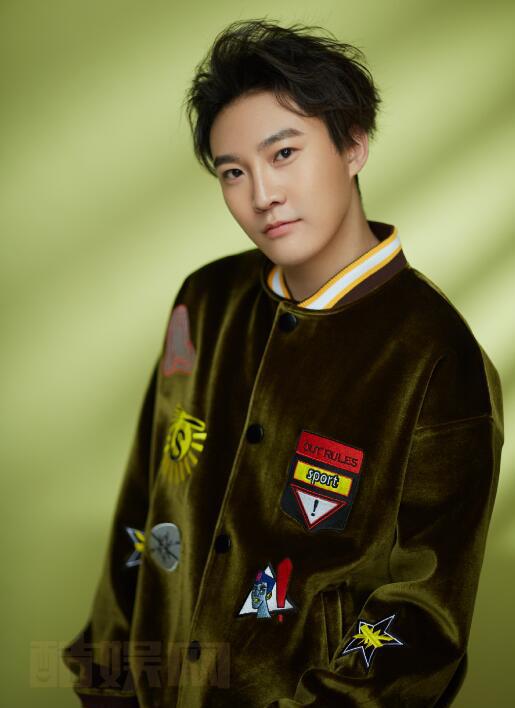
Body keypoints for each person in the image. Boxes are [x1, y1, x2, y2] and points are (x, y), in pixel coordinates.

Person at [61, 18, 504, 708]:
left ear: (352, 144)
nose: (261, 194)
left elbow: (421, 612)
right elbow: (147, 504)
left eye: (284, 153)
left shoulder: (433, 353)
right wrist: (105, 682)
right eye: (232, 172)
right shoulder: (203, 302)